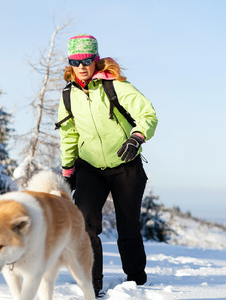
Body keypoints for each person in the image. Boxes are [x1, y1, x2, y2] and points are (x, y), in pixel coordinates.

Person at [57, 34, 158, 297]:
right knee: (85, 224)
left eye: (87, 60)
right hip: (90, 168)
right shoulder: (68, 95)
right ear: (70, 63)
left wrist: (137, 139)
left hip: (126, 165)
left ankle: (136, 282)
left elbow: (148, 114)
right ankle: (92, 285)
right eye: (76, 61)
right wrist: (68, 170)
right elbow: (69, 133)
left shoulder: (115, 86)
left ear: (96, 59)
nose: (82, 66)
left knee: (128, 227)